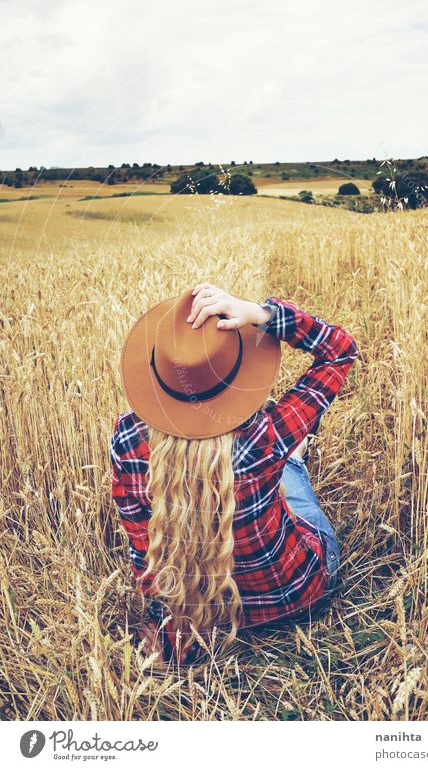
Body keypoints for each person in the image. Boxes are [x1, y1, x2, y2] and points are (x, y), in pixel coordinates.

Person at [110, 282, 359, 666]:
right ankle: (293, 458)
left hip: (200, 617)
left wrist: (169, 625)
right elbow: (340, 350)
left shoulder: (127, 439)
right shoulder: (264, 434)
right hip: (296, 593)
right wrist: (262, 314)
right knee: (286, 463)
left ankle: (288, 459)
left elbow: (142, 546)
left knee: (272, 462)